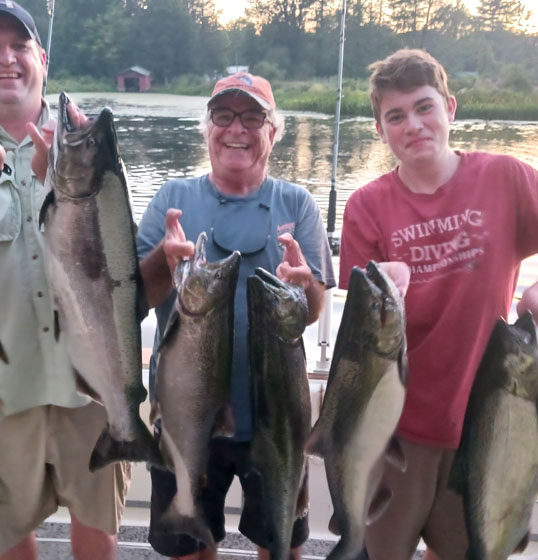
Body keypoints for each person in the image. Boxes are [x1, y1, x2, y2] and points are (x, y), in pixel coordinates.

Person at [339, 48, 538, 560]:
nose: (413, 125)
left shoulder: (506, 177)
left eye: (424, 107)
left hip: (486, 423)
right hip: (393, 432)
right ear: (380, 130)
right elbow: (357, 331)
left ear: (450, 108)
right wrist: (383, 283)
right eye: (395, 116)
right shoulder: (367, 206)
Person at [0, 1, 130, 559]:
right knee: (6, 547)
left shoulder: (87, 149)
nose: (6, 59)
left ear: (42, 59)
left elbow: (115, 268)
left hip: (93, 388)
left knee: (98, 538)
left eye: (19, 46)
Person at [136, 73, 336, 560]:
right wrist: (164, 258)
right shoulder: (171, 199)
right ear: (207, 128)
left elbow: (311, 314)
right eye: (223, 116)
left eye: (252, 117)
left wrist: (306, 284)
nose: (236, 129)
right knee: (188, 548)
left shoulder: (298, 204)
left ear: (274, 132)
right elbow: (137, 300)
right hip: (186, 415)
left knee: (283, 546)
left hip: (276, 418)